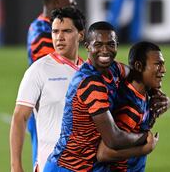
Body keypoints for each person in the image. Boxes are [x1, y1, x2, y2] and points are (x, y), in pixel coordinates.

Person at [44, 22, 161, 171]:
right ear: (87, 47)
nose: (105, 50)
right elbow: (113, 139)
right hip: (68, 167)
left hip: (87, 166)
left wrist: (155, 92)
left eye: (110, 44)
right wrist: (145, 142)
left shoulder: (114, 69)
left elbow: (134, 74)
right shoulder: (92, 83)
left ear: (117, 45)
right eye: (98, 44)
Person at [10, 7, 85, 172]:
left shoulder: (89, 72)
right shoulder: (38, 70)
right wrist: (16, 167)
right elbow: (19, 117)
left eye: (66, 31)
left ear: (81, 34)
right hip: (50, 165)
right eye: (55, 31)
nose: (60, 37)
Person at [25, 0, 77, 169]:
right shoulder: (44, 36)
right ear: (57, 0)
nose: (74, 1)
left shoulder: (43, 26)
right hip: (48, 113)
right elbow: (58, 74)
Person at [97, 41, 166, 171]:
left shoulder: (141, 93)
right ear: (139, 66)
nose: (163, 70)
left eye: (163, 64)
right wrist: (145, 149)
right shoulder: (130, 108)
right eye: (158, 64)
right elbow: (103, 153)